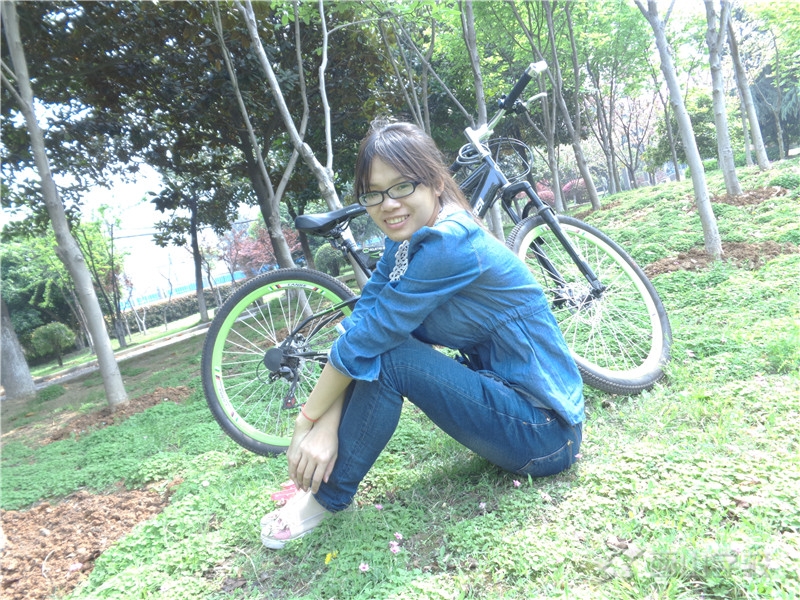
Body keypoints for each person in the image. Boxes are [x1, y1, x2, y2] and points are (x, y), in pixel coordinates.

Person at [260, 120, 584, 549]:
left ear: (434, 181)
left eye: (401, 186)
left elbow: (373, 339)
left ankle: (325, 497)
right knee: (384, 344)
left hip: (545, 431)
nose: (387, 204)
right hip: (505, 400)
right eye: (373, 193)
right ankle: (321, 484)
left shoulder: (448, 243)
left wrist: (307, 422)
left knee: (392, 356)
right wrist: (326, 422)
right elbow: (363, 323)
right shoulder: (404, 244)